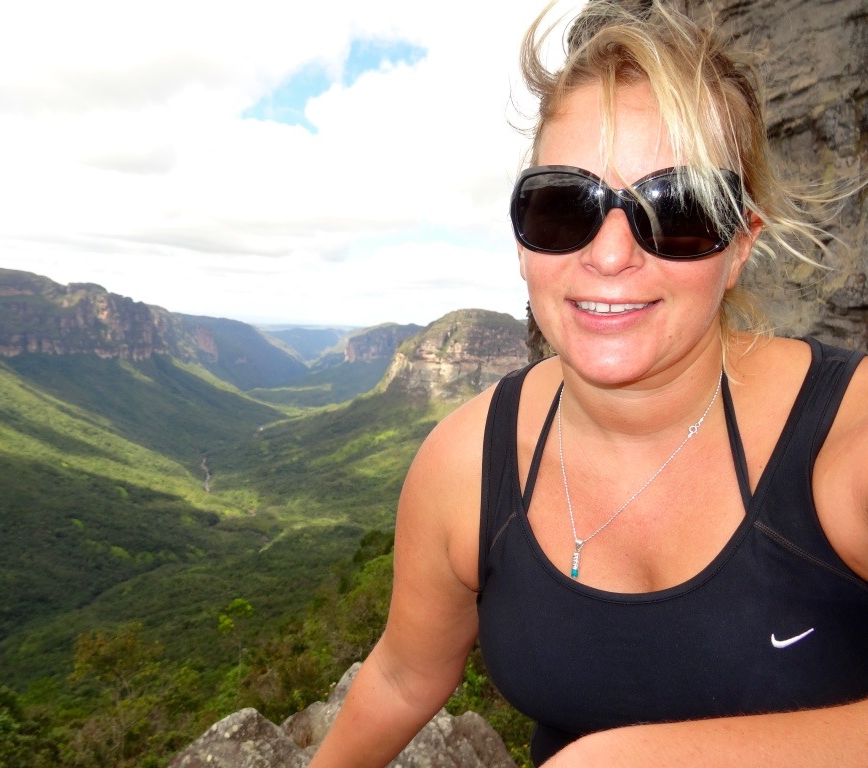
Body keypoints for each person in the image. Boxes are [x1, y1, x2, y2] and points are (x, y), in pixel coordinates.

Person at [309, 1, 868, 766]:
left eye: (677, 210)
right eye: (563, 207)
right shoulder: (466, 467)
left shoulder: (847, 438)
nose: (609, 255)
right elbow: (405, 676)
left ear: (740, 245)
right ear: (522, 241)